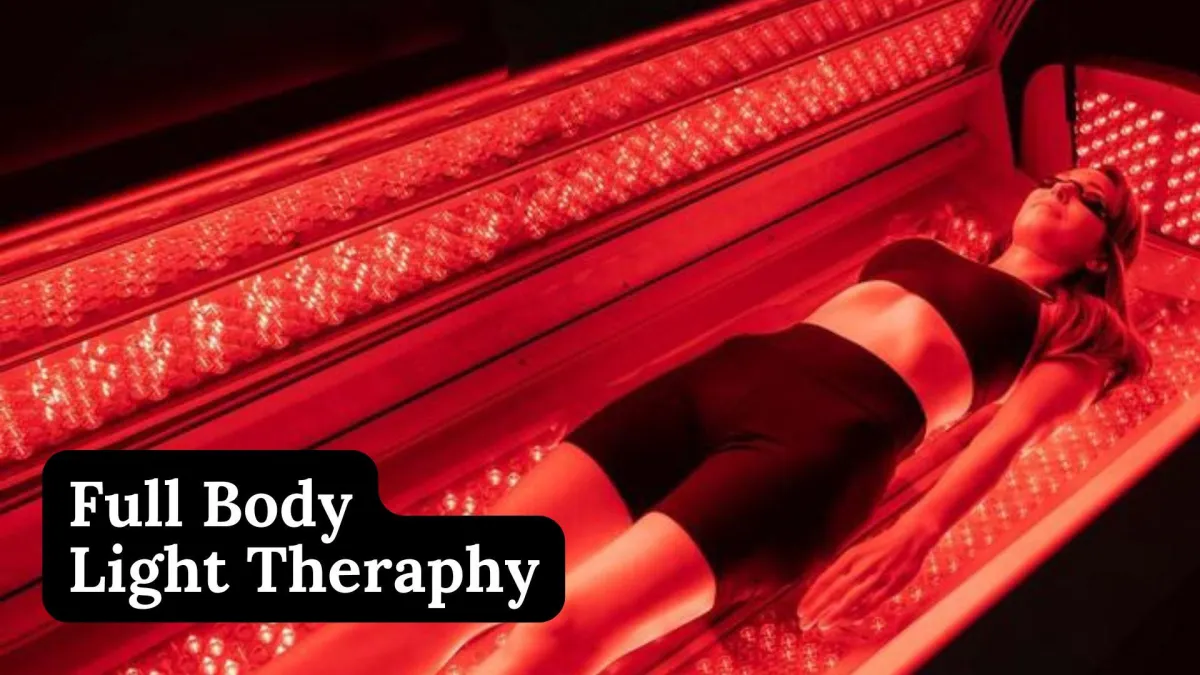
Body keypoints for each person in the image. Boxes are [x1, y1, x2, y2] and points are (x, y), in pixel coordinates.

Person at [265, 165, 1150, 674]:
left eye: (1092, 199)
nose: (1062, 192)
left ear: (1104, 254)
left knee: (567, 625)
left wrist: (917, 531)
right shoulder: (929, 245)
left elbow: (1013, 433)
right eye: (1061, 179)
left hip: (824, 441)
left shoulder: (1075, 327)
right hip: (733, 375)